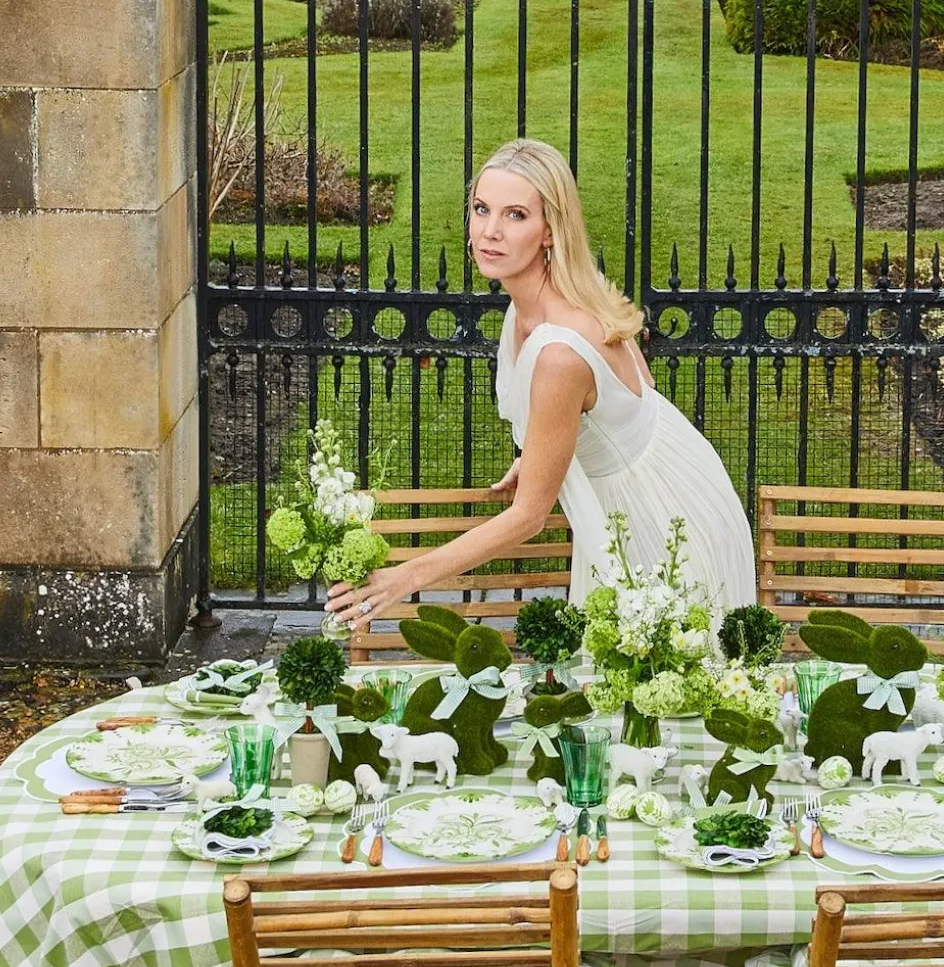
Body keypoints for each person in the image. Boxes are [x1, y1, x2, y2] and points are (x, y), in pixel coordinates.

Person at [323, 138, 756, 628]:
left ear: (550, 230)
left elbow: (528, 516)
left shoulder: (557, 353)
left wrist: (402, 578)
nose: (489, 232)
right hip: (665, 480)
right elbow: (628, 391)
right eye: (482, 209)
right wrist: (544, 451)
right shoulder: (554, 293)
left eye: (515, 215)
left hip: (665, 518)